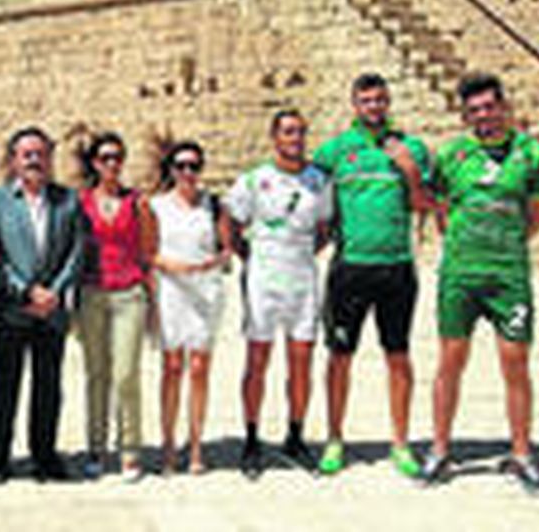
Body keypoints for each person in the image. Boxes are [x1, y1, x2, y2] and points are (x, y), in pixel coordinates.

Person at [422, 73, 539, 496]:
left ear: (504, 107)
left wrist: (504, 245)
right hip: (460, 274)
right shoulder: (452, 155)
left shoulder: (531, 154)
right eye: (474, 110)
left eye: (489, 107)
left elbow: (536, 217)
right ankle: (440, 450)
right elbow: (442, 210)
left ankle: (521, 454)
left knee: (515, 363)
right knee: (450, 362)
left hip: (508, 275)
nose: (484, 116)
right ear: (466, 115)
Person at [313, 73, 432, 478]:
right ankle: (334, 438)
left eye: (380, 100)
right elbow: (308, 195)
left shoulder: (411, 147)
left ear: (388, 103)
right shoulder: (334, 151)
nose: (374, 107)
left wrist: (409, 170)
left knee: (398, 354)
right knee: (340, 356)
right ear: (354, 105)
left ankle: (400, 443)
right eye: (366, 100)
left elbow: (423, 205)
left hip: (397, 265)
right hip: (350, 268)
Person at [225, 109, 333, 479]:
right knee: (258, 359)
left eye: (301, 132)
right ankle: (252, 438)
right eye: (288, 132)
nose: (296, 139)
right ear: (275, 137)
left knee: (301, 358)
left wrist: (301, 254)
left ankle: (296, 434)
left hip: (302, 275)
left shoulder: (318, 181)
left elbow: (324, 228)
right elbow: (231, 223)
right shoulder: (255, 180)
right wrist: (248, 258)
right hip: (264, 277)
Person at [0, 127, 87, 483]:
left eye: (40, 153)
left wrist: (54, 291)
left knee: (48, 386)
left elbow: (76, 252)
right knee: (4, 385)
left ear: (49, 158)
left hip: (52, 311)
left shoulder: (67, 200)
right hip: (11, 309)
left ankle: (44, 456)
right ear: (13, 160)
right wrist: (26, 292)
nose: (33, 160)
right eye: (25, 154)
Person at [141, 140, 231, 475]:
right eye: (181, 166)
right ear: (171, 170)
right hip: (171, 288)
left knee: (199, 368)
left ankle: (195, 446)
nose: (188, 172)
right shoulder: (156, 206)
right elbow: (148, 252)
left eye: (194, 165)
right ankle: (168, 447)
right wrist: (177, 268)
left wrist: (215, 261)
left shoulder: (213, 204)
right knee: (173, 366)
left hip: (205, 290)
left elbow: (227, 247)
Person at [75, 132, 151, 479]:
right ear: (94, 163)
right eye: (105, 157)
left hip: (128, 294)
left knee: (126, 374)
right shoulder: (81, 202)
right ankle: (96, 446)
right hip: (91, 293)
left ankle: (130, 447)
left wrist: (153, 298)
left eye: (117, 157)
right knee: (96, 374)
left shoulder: (137, 202)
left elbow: (148, 249)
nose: (112, 164)